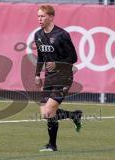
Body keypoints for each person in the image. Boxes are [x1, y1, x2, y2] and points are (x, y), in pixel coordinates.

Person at [34, 5, 83, 152]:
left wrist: (57, 63)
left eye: (42, 16)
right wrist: (37, 75)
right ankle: (74, 115)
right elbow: (40, 57)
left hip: (64, 76)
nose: (39, 19)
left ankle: (52, 145)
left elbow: (73, 58)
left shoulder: (62, 35)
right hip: (49, 78)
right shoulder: (38, 35)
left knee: (49, 111)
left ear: (51, 17)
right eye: (38, 16)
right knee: (45, 114)